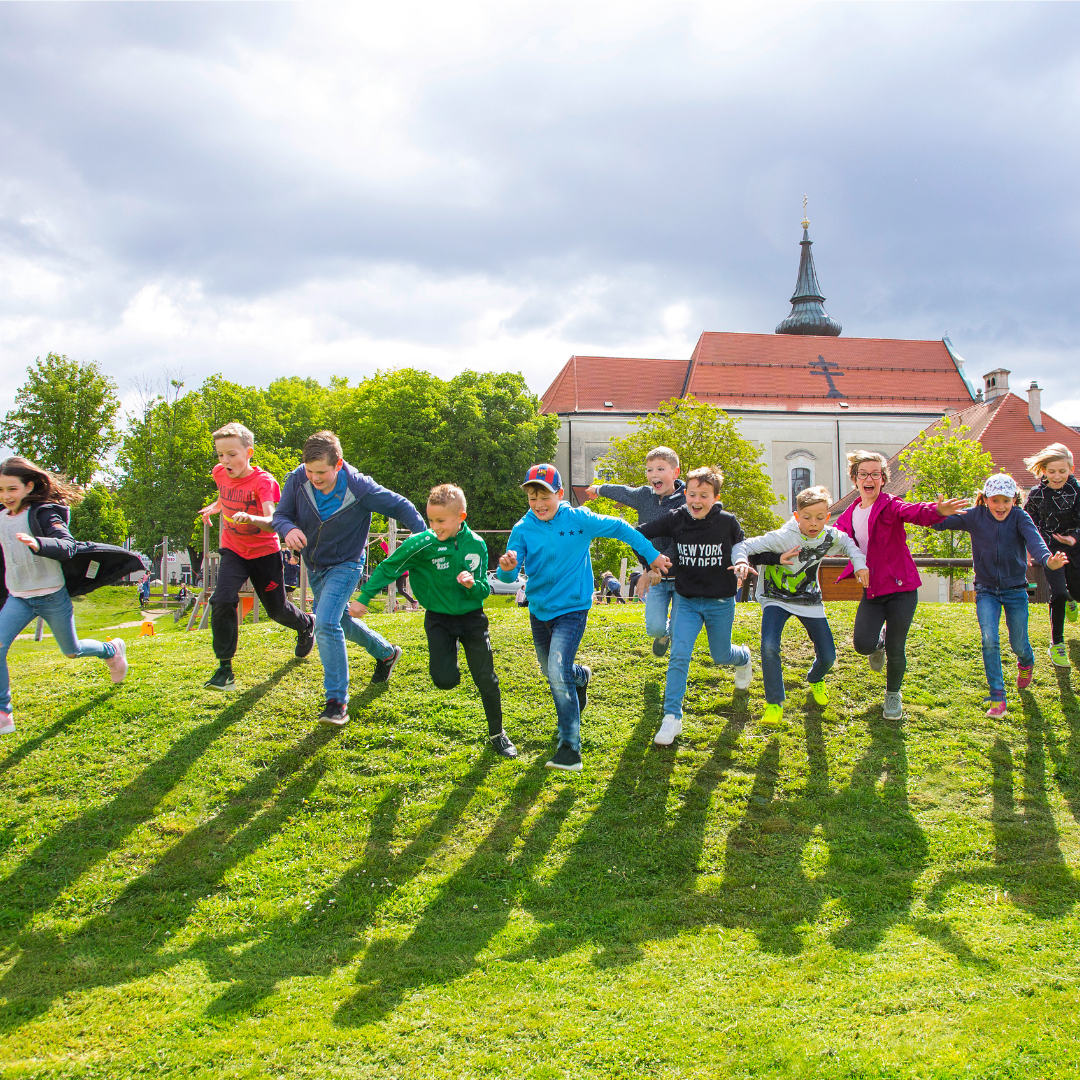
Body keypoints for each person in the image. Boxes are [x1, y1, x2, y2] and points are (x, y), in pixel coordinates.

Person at [497, 463, 670, 772]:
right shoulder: (523, 528)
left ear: (560, 494)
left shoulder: (579, 519)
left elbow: (620, 527)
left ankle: (569, 748)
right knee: (552, 669)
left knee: (556, 670)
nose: (538, 504)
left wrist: (651, 555)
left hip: (573, 608)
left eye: (544, 496)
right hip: (539, 610)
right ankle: (582, 676)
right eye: (532, 497)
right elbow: (508, 576)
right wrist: (507, 568)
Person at [349, 483, 517, 757]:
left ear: (461, 517)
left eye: (441, 520)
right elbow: (389, 567)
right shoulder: (422, 543)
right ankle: (450, 667)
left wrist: (472, 584)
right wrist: (364, 598)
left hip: (473, 619)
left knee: (486, 677)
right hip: (438, 619)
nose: (434, 526)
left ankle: (498, 735)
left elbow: (485, 589)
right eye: (430, 520)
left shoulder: (476, 544)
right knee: (444, 680)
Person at [273, 430, 425, 727]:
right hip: (315, 566)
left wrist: (424, 536)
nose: (314, 478)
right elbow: (281, 515)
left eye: (322, 472)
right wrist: (287, 529)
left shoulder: (359, 487)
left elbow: (400, 506)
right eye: (310, 471)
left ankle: (337, 703)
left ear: (338, 464)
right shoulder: (296, 479)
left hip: (347, 563)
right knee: (339, 621)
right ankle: (386, 653)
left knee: (326, 621)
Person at [0, 457, 144, 735]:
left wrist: (38, 543)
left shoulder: (44, 513)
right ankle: (4, 712)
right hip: (18, 597)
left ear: (29, 486)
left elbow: (67, 545)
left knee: (71, 650)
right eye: (1, 490)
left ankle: (111, 650)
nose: (6, 496)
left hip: (51, 595)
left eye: (12, 489)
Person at [832, 450, 968, 719]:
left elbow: (914, 512)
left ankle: (893, 695)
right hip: (872, 590)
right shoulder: (848, 515)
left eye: (875, 474)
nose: (869, 478)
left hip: (901, 589)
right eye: (863, 474)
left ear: (883, 479)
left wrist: (936, 510)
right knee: (862, 644)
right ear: (855, 479)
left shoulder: (891, 504)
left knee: (897, 647)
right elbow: (833, 539)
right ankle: (877, 643)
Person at [731, 485, 868, 727]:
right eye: (806, 518)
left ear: (827, 517)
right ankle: (774, 703)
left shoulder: (829, 536)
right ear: (796, 516)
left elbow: (849, 545)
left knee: (828, 656)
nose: (813, 523)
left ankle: (815, 678)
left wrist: (859, 564)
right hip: (775, 597)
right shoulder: (783, 537)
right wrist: (741, 561)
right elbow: (743, 546)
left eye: (819, 518)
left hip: (809, 600)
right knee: (769, 645)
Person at [933, 472, 1067, 717]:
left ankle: (1026, 662)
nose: (1001, 506)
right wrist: (938, 510)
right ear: (984, 499)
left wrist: (1048, 560)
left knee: (1019, 644)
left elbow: (1035, 543)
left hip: (1015, 590)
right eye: (995, 500)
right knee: (989, 640)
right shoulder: (974, 516)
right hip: (986, 591)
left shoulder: (1019, 517)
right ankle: (997, 697)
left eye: (1007, 500)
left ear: (1015, 499)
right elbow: (938, 524)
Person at [636, 465, 752, 746]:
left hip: (720, 602)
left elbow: (742, 546)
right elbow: (637, 533)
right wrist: (650, 561)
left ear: (715, 497)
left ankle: (744, 658)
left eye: (704, 495)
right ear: (684, 493)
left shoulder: (727, 521)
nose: (696, 501)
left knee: (720, 654)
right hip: (687, 601)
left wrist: (742, 562)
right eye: (691, 494)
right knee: (679, 654)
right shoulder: (676, 518)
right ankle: (671, 717)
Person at [198, 423, 316, 692]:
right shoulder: (220, 473)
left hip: (264, 552)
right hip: (233, 549)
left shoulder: (264, 482)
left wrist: (251, 518)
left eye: (232, 454)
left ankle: (306, 623)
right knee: (222, 599)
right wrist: (216, 507)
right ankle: (224, 669)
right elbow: (224, 496)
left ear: (248, 452)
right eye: (220, 455)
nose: (225, 461)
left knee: (277, 611)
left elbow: (274, 520)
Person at [584, 446, 686, 655]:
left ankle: (676, 656)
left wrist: (659, 566)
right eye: (649, 470)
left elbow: (681, 540)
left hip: (682, 576)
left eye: (660, 469)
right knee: (654, 628)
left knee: (681, 629)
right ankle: (663, 634)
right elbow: (624, 492)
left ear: (675, 473)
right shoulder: (644, 495)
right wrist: (599, 489)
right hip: (653, 573)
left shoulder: (687, 500)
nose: (654, 475)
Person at [1023, 443, 1080, 668]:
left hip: (1075, 547)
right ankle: (1057, 644)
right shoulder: (1037, 495)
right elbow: (1027, 522)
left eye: (1062, 471)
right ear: (1043, 470)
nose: (1057, 476)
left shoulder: (1076, 491)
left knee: (1074, 591)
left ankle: (1071, 598)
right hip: (1050, 549)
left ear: (1071, 469)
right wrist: (1028, 547)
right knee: (1057, 593)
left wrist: (1073, 538)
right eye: (1052, 471)